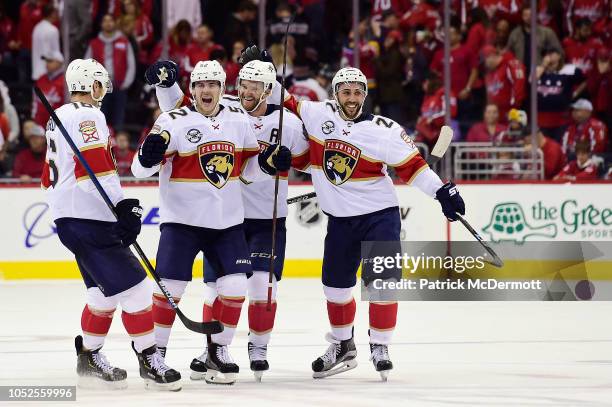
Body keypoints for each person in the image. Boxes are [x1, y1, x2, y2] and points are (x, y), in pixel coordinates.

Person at [242, 47, 465, 380]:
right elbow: (281, 96)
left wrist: (441, 191)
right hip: (340, 221)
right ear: (335, 94)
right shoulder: (317, 115)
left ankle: (380, 345)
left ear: (364, 95)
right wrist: (262, 67)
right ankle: (343, 345)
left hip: (380, 216)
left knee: (382, 284)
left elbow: (414, 168)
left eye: (357, 91)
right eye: (345, 91)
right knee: (335, 287)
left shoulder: (384, 129)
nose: (352, 97)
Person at [132, 59, 292, 385]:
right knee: (171, 289)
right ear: (192, 90)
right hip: (183, 222)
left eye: (213, 84)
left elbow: (244, 170)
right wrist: (146, 157)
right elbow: (139, 170)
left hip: (227, 222)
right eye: (200, 84)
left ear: (222, 89)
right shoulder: (173, 120)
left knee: (234, 286)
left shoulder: (237, 119)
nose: (207, 90)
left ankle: (218, 351)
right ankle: (156, 356)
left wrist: (265, 163)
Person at [42, 58, 181, 390]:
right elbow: (95, 168)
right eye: (101, 85)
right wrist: (122, 206)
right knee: (137, 290)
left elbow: (50, 177)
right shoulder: (88, 114)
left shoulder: (57, 115)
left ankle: (89, 355)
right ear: (93, 85)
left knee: (102, 295)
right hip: (89, 218)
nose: (103, 92)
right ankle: (149, 359)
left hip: (71, 217)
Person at [85, 14, 136, 130]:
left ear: (114, 23)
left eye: (110, 21)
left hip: (119, 85)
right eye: (105, 21)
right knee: (101, 117)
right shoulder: (94, 43)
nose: (108, 23)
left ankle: (118, 142)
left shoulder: (124, 42)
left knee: (119, 117)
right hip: (101, 88)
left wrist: (126, 84)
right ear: (101, 24)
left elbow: (131, 63)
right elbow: (86, 65)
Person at [32, 50, 66, 128]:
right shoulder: (40, 79)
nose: (47, 63)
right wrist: (34, 118)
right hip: (40, 124)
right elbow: (35, 101)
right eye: (46, 61)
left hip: (58, 124)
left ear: (59, 63)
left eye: (50, 61)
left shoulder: (66, 81)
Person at [31, 3, 60, 81]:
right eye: (57, 12)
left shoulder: (36, 28)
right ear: (52, 14)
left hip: (36, 73)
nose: (58, 15)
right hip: (47, 74)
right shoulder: (53, 30)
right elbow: (55, 53)